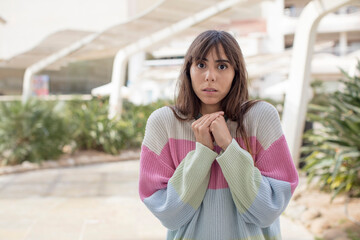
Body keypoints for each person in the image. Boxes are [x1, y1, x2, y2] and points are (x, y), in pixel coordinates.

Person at [139, 30, 299, 240]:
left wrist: (229, 147)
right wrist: (202, 154)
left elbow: (268, 211)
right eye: (201, 65)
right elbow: (168, 215)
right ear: (188, 70)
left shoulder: (261, 118)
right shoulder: (164, 123)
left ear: (236, 73)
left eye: (222, 66)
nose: (210, 76)